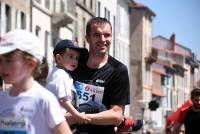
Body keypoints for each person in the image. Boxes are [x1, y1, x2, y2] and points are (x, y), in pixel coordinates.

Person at [0, 29, 72, 134]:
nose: (2, 66)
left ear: (31, 64)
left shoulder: (44, 100)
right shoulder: (2, 98)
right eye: (0, 60)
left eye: (9, 61)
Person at [68, 17, 130, 134]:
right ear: (87, 38)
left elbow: (116, 115)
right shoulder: (74, 64)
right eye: (97, 35)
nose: (103, 39)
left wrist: (77, 117)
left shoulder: (118, 70)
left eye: (107, 35)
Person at [45, 39, 91, 125]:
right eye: (71, 57)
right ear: (59, 58)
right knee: (95, 106)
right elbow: (63, 100)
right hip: (59, 117)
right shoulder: (61, 75)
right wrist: (77, 115)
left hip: (55, 116)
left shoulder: (56, 73)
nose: (75, 61)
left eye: (77, 58)